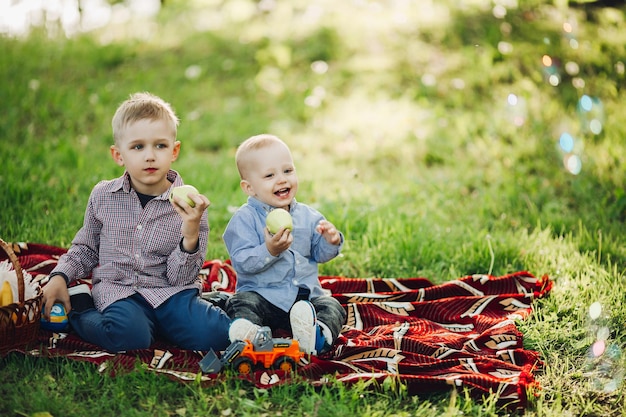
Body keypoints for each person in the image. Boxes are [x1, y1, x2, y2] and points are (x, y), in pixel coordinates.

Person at [41, 92, 231, 352]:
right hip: (120, 291)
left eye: (160, 146)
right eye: (138, 147)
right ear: (118, 155)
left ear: (174, 150)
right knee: (130, 338)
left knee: (218, 335)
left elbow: (180, 277)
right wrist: (60, 276)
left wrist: (190, 233)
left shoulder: (190, 206)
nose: (150, 156)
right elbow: (86, 248)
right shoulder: (103, 196)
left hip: (170, 293)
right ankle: (81, 308)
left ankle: (171, 322)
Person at [223, 133, 346, 355]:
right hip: (263, 296)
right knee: (241, 302)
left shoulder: (309, 216)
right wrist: (270, 251)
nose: (282, 179)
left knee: (332, 306)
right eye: (270, 175)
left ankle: (316, 337)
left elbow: (320, 254)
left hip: (305, 299)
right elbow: (242, 263)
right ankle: (251, 336)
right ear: (249, 187)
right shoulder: (245, 219)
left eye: (288, 171)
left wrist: (331, 240)